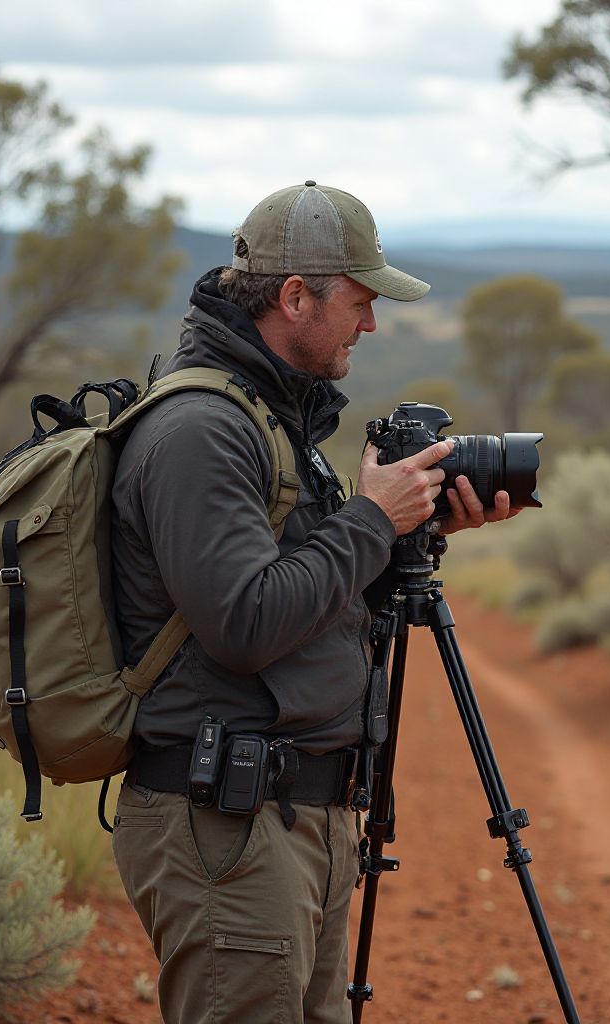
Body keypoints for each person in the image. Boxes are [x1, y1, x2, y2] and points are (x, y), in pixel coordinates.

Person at [109, 181, 519, 1024]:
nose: (370, 324)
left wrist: (405, 536)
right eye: (360, 302)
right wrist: (373, 517)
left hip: (300, 814)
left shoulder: (274, 419)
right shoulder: (202, 430)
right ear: (295, 297)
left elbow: (306, 603)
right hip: (227, 823)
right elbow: (245, 622)